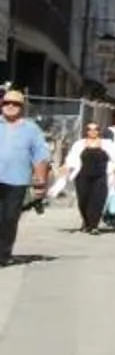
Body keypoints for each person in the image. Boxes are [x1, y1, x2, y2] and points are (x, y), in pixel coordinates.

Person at [0, 88, 52, 265]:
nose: (11, 106)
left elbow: (41, 157)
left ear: (21, 107)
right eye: (7, 103)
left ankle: (3, 254)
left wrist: (40, 182)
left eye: (15, 104)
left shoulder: (31, 129)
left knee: (9, 218)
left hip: (17, 181)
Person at [70, 122, 110, 234]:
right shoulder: (79, 144)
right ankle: (86, 222)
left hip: (100, 176)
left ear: (99, 131)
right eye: (90, 129)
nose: (93, 131)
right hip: (82, 176)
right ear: (86, 131)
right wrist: (66, 168)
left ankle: (94, 225)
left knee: (98, 200)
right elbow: (72, 158)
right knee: (83, 200)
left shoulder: (106, 144)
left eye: (96, 129)